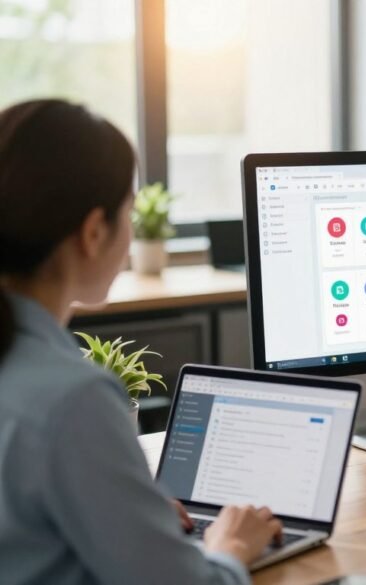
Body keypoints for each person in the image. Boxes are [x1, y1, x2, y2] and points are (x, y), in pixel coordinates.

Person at [0, 99, 282, 584]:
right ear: (93, 232)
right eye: (129, 213)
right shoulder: (73, 398)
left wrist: (127, 508)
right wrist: (230, 548)